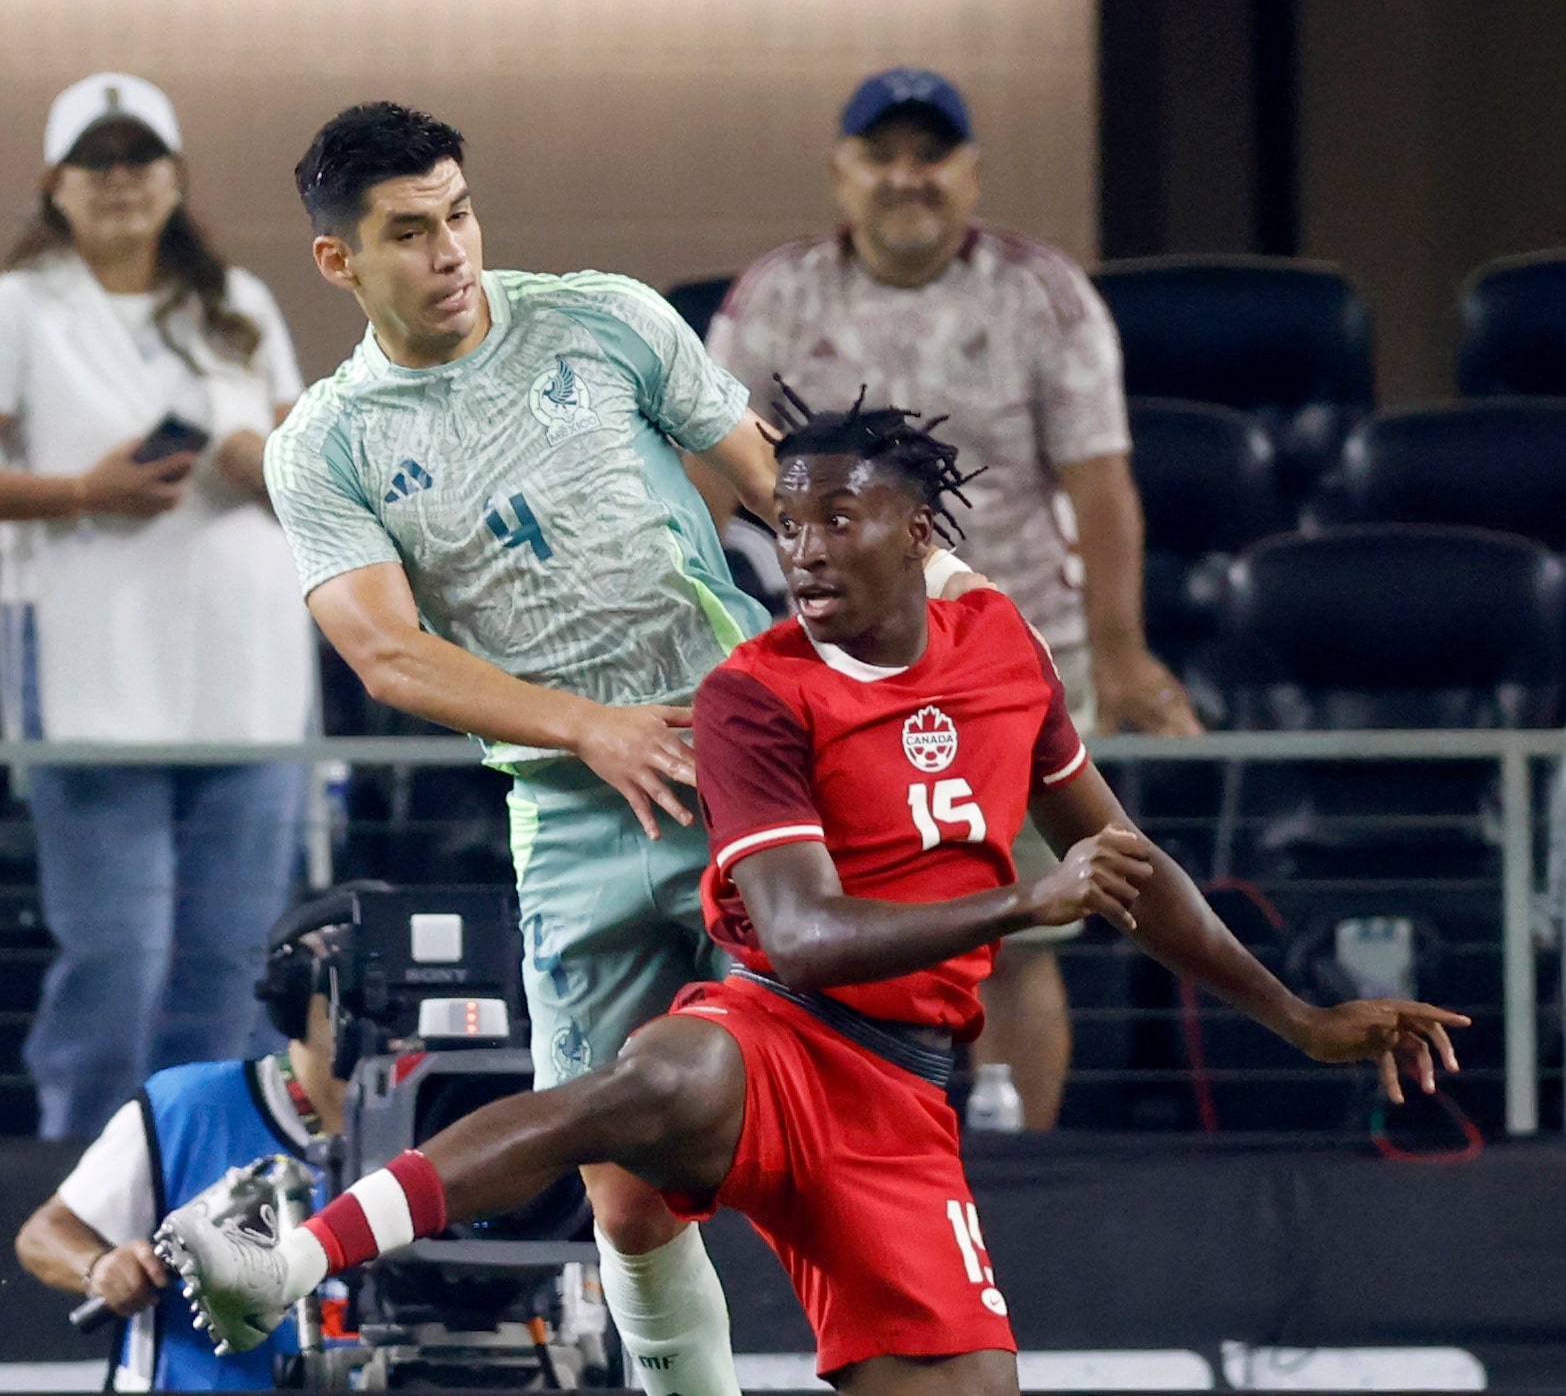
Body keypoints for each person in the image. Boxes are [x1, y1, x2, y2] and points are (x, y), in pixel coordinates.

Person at [158, 394, 1467, 1394]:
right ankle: (280, 1253)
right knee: (633, 1092)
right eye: (784, 521)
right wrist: (1020, 904)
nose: (802, 546)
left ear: (920, 530)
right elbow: (797, 935)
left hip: (904, 1105)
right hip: (782, 1031)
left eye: (836, 517)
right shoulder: (756, 691)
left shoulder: (1000, 647)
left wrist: (1296, 1018)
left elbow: (1128, 861)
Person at [259, 100, 790, 1396]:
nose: (450, 251)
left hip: (747, 769)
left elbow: (782, 489)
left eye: (459, 213)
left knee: (816, 1127)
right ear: (340, 261)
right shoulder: (323, 444)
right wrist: (587, 728)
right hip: (569, 815)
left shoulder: (603, 316)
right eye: (408, 231)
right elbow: (387, 656)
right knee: (618, 1191)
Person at [707, 66, 1202, 1130]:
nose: (906, 180)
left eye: (930, 157)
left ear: (970, 174)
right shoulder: (777, 293)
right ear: (841, 175)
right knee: (846, 924)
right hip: (834, 670)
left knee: (1025, 940)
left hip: (1013, 660)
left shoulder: (1042, 293)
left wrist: (1119, 652)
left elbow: (1099, 482)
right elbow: (716, 470)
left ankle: (1019, 1161)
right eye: (880, 157)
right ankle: (855, 1142)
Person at [0, 72, 312, 1141]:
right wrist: (86, 492)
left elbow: (307, 474)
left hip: (247, 671)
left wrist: (248, 456)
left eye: (142, 158)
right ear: (58, 185)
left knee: (232, 953)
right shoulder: (23, 306)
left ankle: (208, 1173)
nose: (122, 180)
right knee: (119, 952)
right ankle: (80, 1170)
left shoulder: (234, 305)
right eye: (98, 160)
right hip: (93, 669)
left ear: (178, 179)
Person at [15, 889, 355, 1391]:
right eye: (354, 988)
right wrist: (99, 1268)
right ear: (293, 997)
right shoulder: (190, 1105)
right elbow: (43, 1235)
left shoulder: (457, 1121)